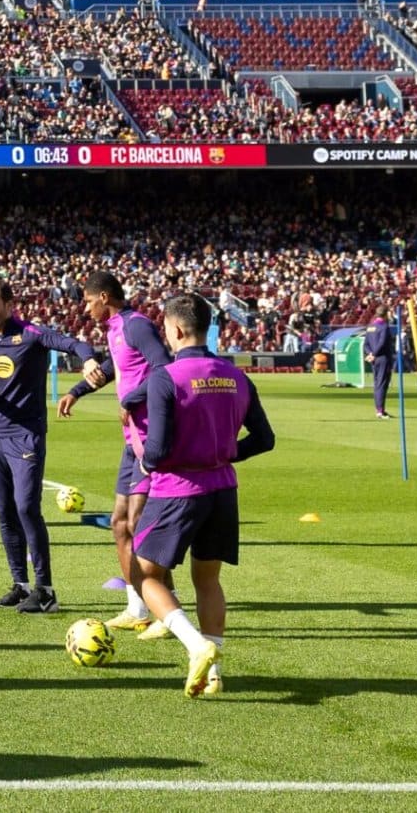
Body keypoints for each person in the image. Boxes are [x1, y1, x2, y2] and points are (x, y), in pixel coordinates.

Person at [129, 293, 275, 697]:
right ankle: (215, 675)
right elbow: (265, 439)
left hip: (177, 491)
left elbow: (156, 453)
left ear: (174, 329)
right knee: (207, 580)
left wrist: (141, 454)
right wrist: (225, 452)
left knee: (145, 575)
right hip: (223, 489)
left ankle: (197, 646)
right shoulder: (237, 376)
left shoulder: (166, 378)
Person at [0, 278, 97, 614]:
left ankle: (45, 590)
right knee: (5, 512)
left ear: (9, 303)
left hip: (26, 435)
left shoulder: (32, 333)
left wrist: (87, 361)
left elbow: (75, 344)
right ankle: (21, 584)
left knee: (27, 506)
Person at [56, 271, 174, 634]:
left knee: (139, 525)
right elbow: (113, 367)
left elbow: (164, 369)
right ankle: (137, 607)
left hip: (150, 437)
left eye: (88, 301)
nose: (85, 308)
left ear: (104, 297)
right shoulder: (116, 329)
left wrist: (133, 398)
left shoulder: (137, 326)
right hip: (131, 438)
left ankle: (168, 610)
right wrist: (77, 390)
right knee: (120, 525)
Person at [363, 315, 396, 420]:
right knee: (382, 384)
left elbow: (366, 344)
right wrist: (374, 354)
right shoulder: (384, 327)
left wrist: (370, 354)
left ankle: (380, 409)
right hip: (383, 358)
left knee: (377, 383)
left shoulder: (370, 327)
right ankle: (380, 411)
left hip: (374, 359)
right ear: (385, 314)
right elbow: (382, 343)